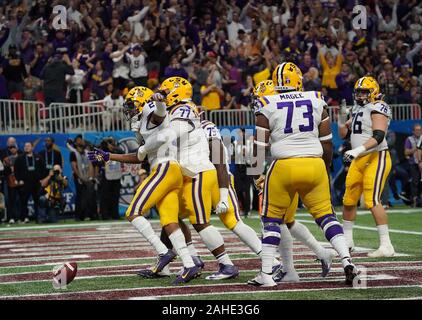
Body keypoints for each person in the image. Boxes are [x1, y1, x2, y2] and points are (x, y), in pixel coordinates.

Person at [248, 62, 357, 287]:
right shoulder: (317, 99)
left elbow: (258, 146)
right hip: (314, 163)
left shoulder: (267, 103)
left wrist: (256, 174)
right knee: (327, 217)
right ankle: (347, 260)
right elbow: (327, 143)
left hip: (284, 165)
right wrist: (324, 169)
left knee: (271, 220)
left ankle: (266, 274)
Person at [89, 86, 202, 285]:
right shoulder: (144, 125)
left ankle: (163, 252)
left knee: (133, 211)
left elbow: (159, 112)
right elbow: (139, 156)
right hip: (170, 170)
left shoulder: (151, 113)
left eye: (132, 106)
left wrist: (159, 100)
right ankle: (189, 264)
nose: (129, 111)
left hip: (164, 169)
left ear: (144, 103)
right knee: (169, 221)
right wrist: (108, 156)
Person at [137, 77, 239, 280]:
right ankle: (185, 260)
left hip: (197, 171)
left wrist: (144, 148)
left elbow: (170, 135)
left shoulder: (183, 109)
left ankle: (226, 263)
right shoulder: (175, 111)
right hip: (188, 172)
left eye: (166, 92)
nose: (163, 95)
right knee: (172, 217)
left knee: (200, 221)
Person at [339, 76, 395, 257]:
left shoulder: (379, 106)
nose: (361, 95)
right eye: (359, 92)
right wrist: (341, 117)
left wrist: (356, 151)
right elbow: (343, 134)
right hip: (359, 159)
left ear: (373, 92)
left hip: (376, 156)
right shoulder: (358, 108)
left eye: (364, 92)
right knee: (349, 199)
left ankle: (386, 245)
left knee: (372, 200)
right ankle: (347, 242)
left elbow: (378, 136)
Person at [14, 142, 46, 223]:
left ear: (32, 147)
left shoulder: (38, 157)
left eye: (28, 146)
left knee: (37, 201)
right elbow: (16, 170)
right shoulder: (20, 158)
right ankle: (24, 217)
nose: (26, 147)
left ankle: (38, 218)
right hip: (25, 183)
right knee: (23, 201)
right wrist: (19, 179)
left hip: (36, 183)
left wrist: (42, 179)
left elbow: (44, 169)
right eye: (25, 146)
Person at [70, 135, 97, 221]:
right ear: (76, 142)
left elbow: (91, 165)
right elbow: (74, 167)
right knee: (80, 197)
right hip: (79, 178)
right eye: (79, 140)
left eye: (81, 140)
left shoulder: (88, 152)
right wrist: (80, 177)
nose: (81, 141)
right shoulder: (73, 153)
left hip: (88, 178)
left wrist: (91, 177)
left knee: (89, 197)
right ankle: (78, 216)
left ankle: (89, 215)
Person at [98, 137, 123, 220]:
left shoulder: (117, 151)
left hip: (116, 176)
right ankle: (105, 215)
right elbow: (98, 157)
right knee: (105, 197)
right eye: (110, 143)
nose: (112, 144)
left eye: (112, 142)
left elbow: (122, 152)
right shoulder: (103, 151)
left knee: (115, 197)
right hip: (107, 177)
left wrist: (114, 146)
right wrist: (104, 142)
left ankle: (115, 215)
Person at [1, 138, 22, 224]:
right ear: (7, 143)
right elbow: (1, 167)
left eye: (13, 143)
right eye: (10, 143)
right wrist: (9, 169)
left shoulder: (20, 153)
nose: (12, 146)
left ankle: (19, 217)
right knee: (8, 199)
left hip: (18, 179)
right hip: (7, 179)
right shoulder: (2, 153)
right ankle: (10, 217)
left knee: (18, 198)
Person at [404, 123, 422, 207]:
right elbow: (406, 152)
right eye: (417, 130)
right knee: (415, 182)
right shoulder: (409, 139)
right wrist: (417, 148)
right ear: (413, 131)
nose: (418, 132)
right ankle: (414, 200)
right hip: (413, 163)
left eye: (420, 130)